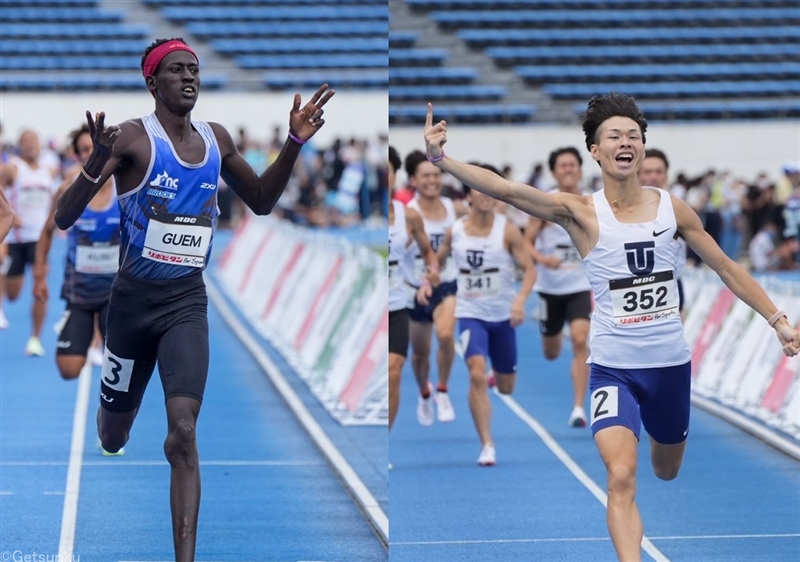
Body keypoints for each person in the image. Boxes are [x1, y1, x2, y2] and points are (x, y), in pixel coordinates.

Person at [423, 95, 800, 561]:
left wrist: (777, 320)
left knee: (666, 470)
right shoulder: (579, 211)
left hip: (668, 367)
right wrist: (441, 158)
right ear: (596, 152)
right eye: (614, 137)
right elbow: (507, 191)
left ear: (642, 148)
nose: (626, 142)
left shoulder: (673, 209)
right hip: (612, 368)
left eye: (633, 136)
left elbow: (724, 266)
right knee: (621, 476)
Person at [53, 37, 334, 562]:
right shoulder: (132, 140)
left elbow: (264, 201)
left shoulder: (217, 138)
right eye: (176, 70)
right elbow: (64, 218)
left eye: (195, 71)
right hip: (131, 306)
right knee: (113, 435)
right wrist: (95, 163)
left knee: (183, 433)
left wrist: (293, 143)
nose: (189, 78)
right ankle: (113, 413)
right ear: (151, 81)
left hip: (186, 303)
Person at [435, 164, 535, 465]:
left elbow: (529, 270)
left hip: (503, 317)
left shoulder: (507, 230)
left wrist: (519, 301)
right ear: (468, 196)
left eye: (491, 188)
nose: (486, 194)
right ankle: (487, 444)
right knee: (476, 375)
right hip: (471, 313)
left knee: (506, 388)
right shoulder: (456, 231)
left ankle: (496, 376)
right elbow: (436, 262)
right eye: (479, 188)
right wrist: (429, 279)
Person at [33, 123, 119, 381]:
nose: (91, 154)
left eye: (95, 148)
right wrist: (39, 275)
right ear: (77, 155)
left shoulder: (125, 186)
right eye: (84, 150)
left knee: (128, 373)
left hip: (118, 296)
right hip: (79, 294)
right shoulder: (67, 188)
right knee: (68, 370)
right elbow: (46, 231)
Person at [524, 147, 592, 427]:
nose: (568, 170)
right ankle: (551, 338)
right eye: (562, 166)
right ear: (553, 172)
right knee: (551, 352)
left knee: (579, 340)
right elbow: (525, 242)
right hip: (550, 288)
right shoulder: (546, 202)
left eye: (572, 165)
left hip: (579, 285)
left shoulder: (591, 203)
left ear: (580, 169)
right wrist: (542, 259)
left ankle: (578, 408)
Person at [403, 149, 467, 425]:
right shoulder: (407, 214)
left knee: (445, 335)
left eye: (436, 175)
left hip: (446, 283)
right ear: (413, 180)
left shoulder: (456, 209)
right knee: (419, 354)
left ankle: (442, 389)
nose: (432, 180)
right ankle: (424, 392)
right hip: (412, 288)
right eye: (425, 176)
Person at [388, 146, 439, 444]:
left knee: (394, 371)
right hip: (371, 306)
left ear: (396, 176)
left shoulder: (409, 217)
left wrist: (430, 275)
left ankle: (388, 439)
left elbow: (429, 254)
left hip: (396, 304)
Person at [1, 129, 59, 353]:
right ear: (20, 145)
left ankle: (35, 339)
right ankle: (3, 306)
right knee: (14, 292)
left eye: (34, 140)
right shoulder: (13, 169)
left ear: (40, 144)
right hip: (16, 237)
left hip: (40, 238)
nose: (31, 145)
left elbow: (56, 200)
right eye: (26, 141)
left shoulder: (49, 172)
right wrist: (8, 216)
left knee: (40, 285)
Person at [638, 148, 687, 315]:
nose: (653, 177)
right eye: (647, 172)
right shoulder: (621, 210)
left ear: (666, 175)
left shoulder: (679, 209)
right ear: (637, 175)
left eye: (659, 172)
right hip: (633, 290)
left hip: (671, 284)